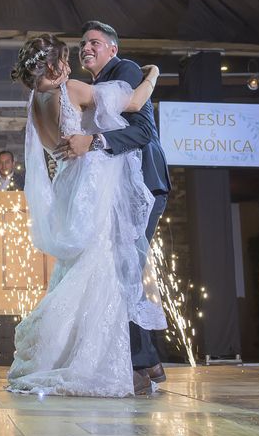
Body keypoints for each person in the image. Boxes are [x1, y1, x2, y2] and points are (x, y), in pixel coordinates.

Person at [6, 33, 167, 398]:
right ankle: (102, 361)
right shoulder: (73, 89)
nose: (72, 64)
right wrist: (154, 72)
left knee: (80, 267)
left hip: (68, 188)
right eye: (66, 59)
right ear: (54, 65)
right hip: (91, 187)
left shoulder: (34, 103)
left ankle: (84, 353)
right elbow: (137, 99)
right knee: (105, 266)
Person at [54, 20, 172, 386]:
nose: (85, 48)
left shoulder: (127, 70)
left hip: (142, 187)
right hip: (115, 190)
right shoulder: (88, 86)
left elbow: (143, 131)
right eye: (82, 44)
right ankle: (148, 362)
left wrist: (92, 142)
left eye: (93, 42)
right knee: (118, 270)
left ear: (112, 49)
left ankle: (141, 364)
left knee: (124, 269)